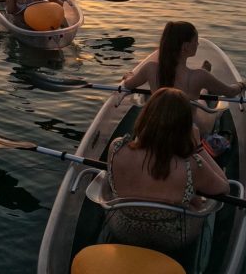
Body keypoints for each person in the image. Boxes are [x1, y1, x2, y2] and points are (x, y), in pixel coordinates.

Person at [105, 88, 230, 250]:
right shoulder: (191, 163)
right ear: (184, 126)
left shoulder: (117, 147)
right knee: (197, 199)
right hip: (174, 236)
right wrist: (198, 147)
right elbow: (224, 188)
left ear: (145, 115)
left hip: (123, 229)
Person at [122, 21, 246, 99]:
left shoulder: (150, 68)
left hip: (158, 126)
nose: (198, 44)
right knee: (205, 107)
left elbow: (128, 84)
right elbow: (230, 92)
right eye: (195, 41)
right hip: (186, 130)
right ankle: (205, 90)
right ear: (186, 47)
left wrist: (130, 75)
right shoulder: (199, 76)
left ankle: (205, 88)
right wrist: (242, 85)